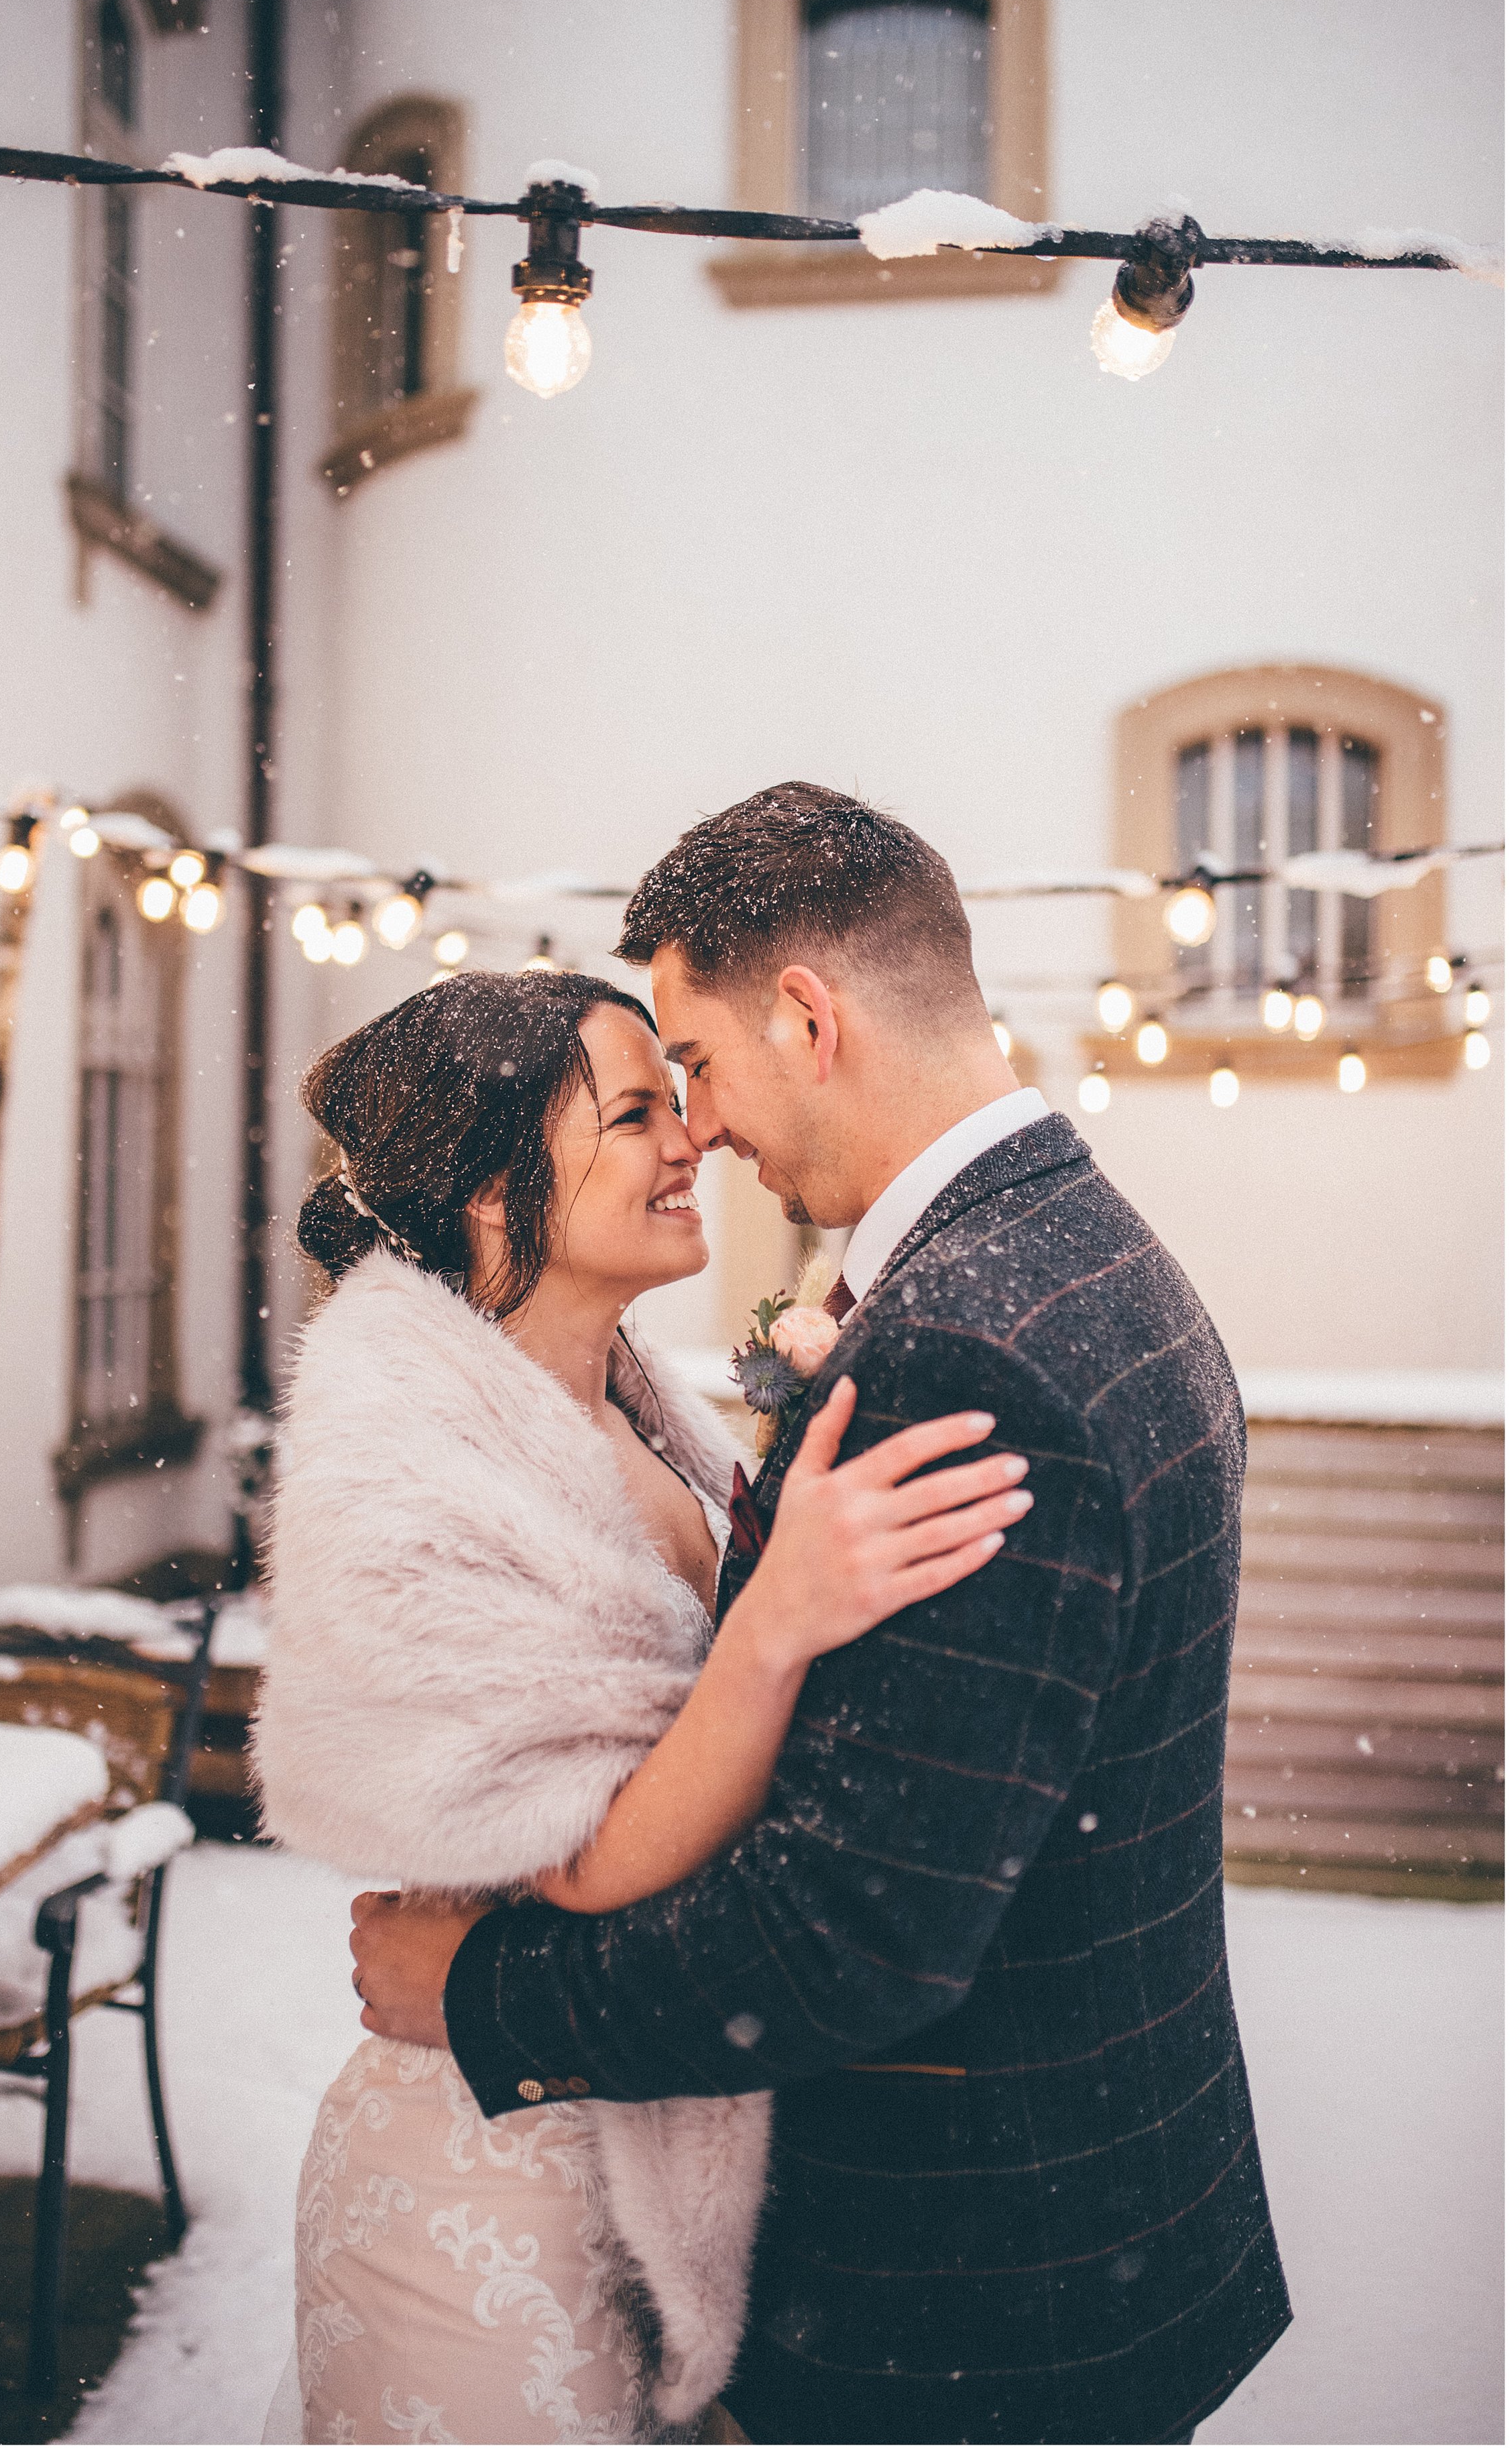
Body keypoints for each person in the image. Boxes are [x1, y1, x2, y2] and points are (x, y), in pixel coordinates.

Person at [350, 783, 1293, 2445]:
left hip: (966, 2291)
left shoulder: (964, 1352)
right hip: (1089, 2219)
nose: (695, 1128)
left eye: (695, 1066)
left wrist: (487, 1998)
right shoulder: (1080, 1251)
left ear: (807, 1014)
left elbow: (855, 1932)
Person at [251, 966, 1031, 2445]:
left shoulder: (623, 1401)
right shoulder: (408, 1463)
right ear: (491, 1195)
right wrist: (781, 1615)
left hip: (637, 2101)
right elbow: (585, 1852)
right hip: (476, 2182)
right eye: (631, 1113)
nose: (689, 1142)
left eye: (676, 1103)